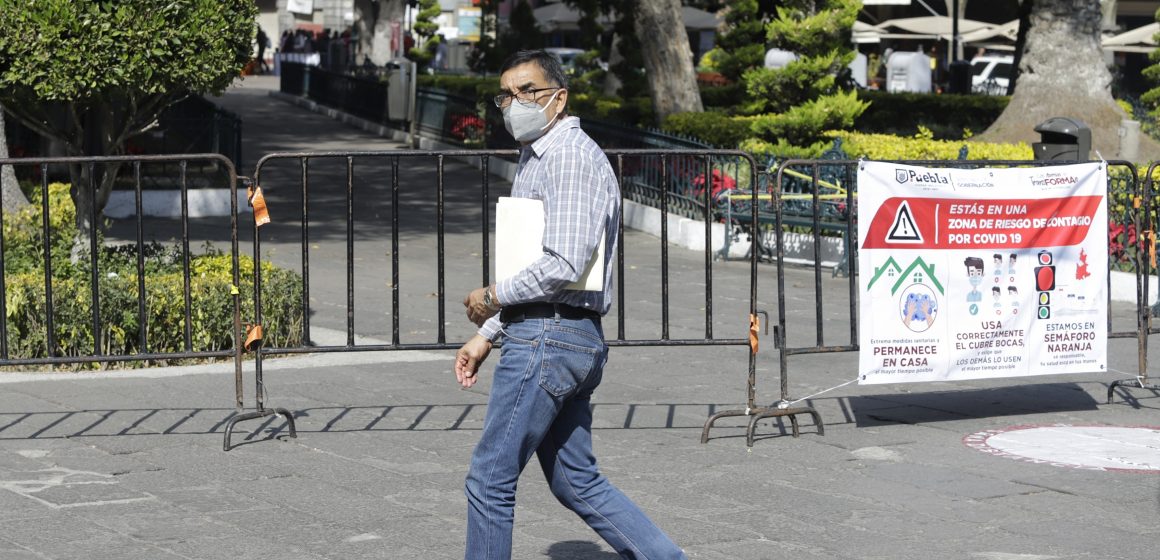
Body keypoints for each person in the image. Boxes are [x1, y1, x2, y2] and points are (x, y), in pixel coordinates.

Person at [454, 50, 686, 560]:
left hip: (550, 339)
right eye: (507, 95)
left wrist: (492, 297)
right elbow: (534, 262)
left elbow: (563, 263)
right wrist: (488, 333)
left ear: (558, 98)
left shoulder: (569, 157)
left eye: (528, 91)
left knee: (490, 479)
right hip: (554, 335)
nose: (516, 103)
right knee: (575, 482)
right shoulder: (539, 154)